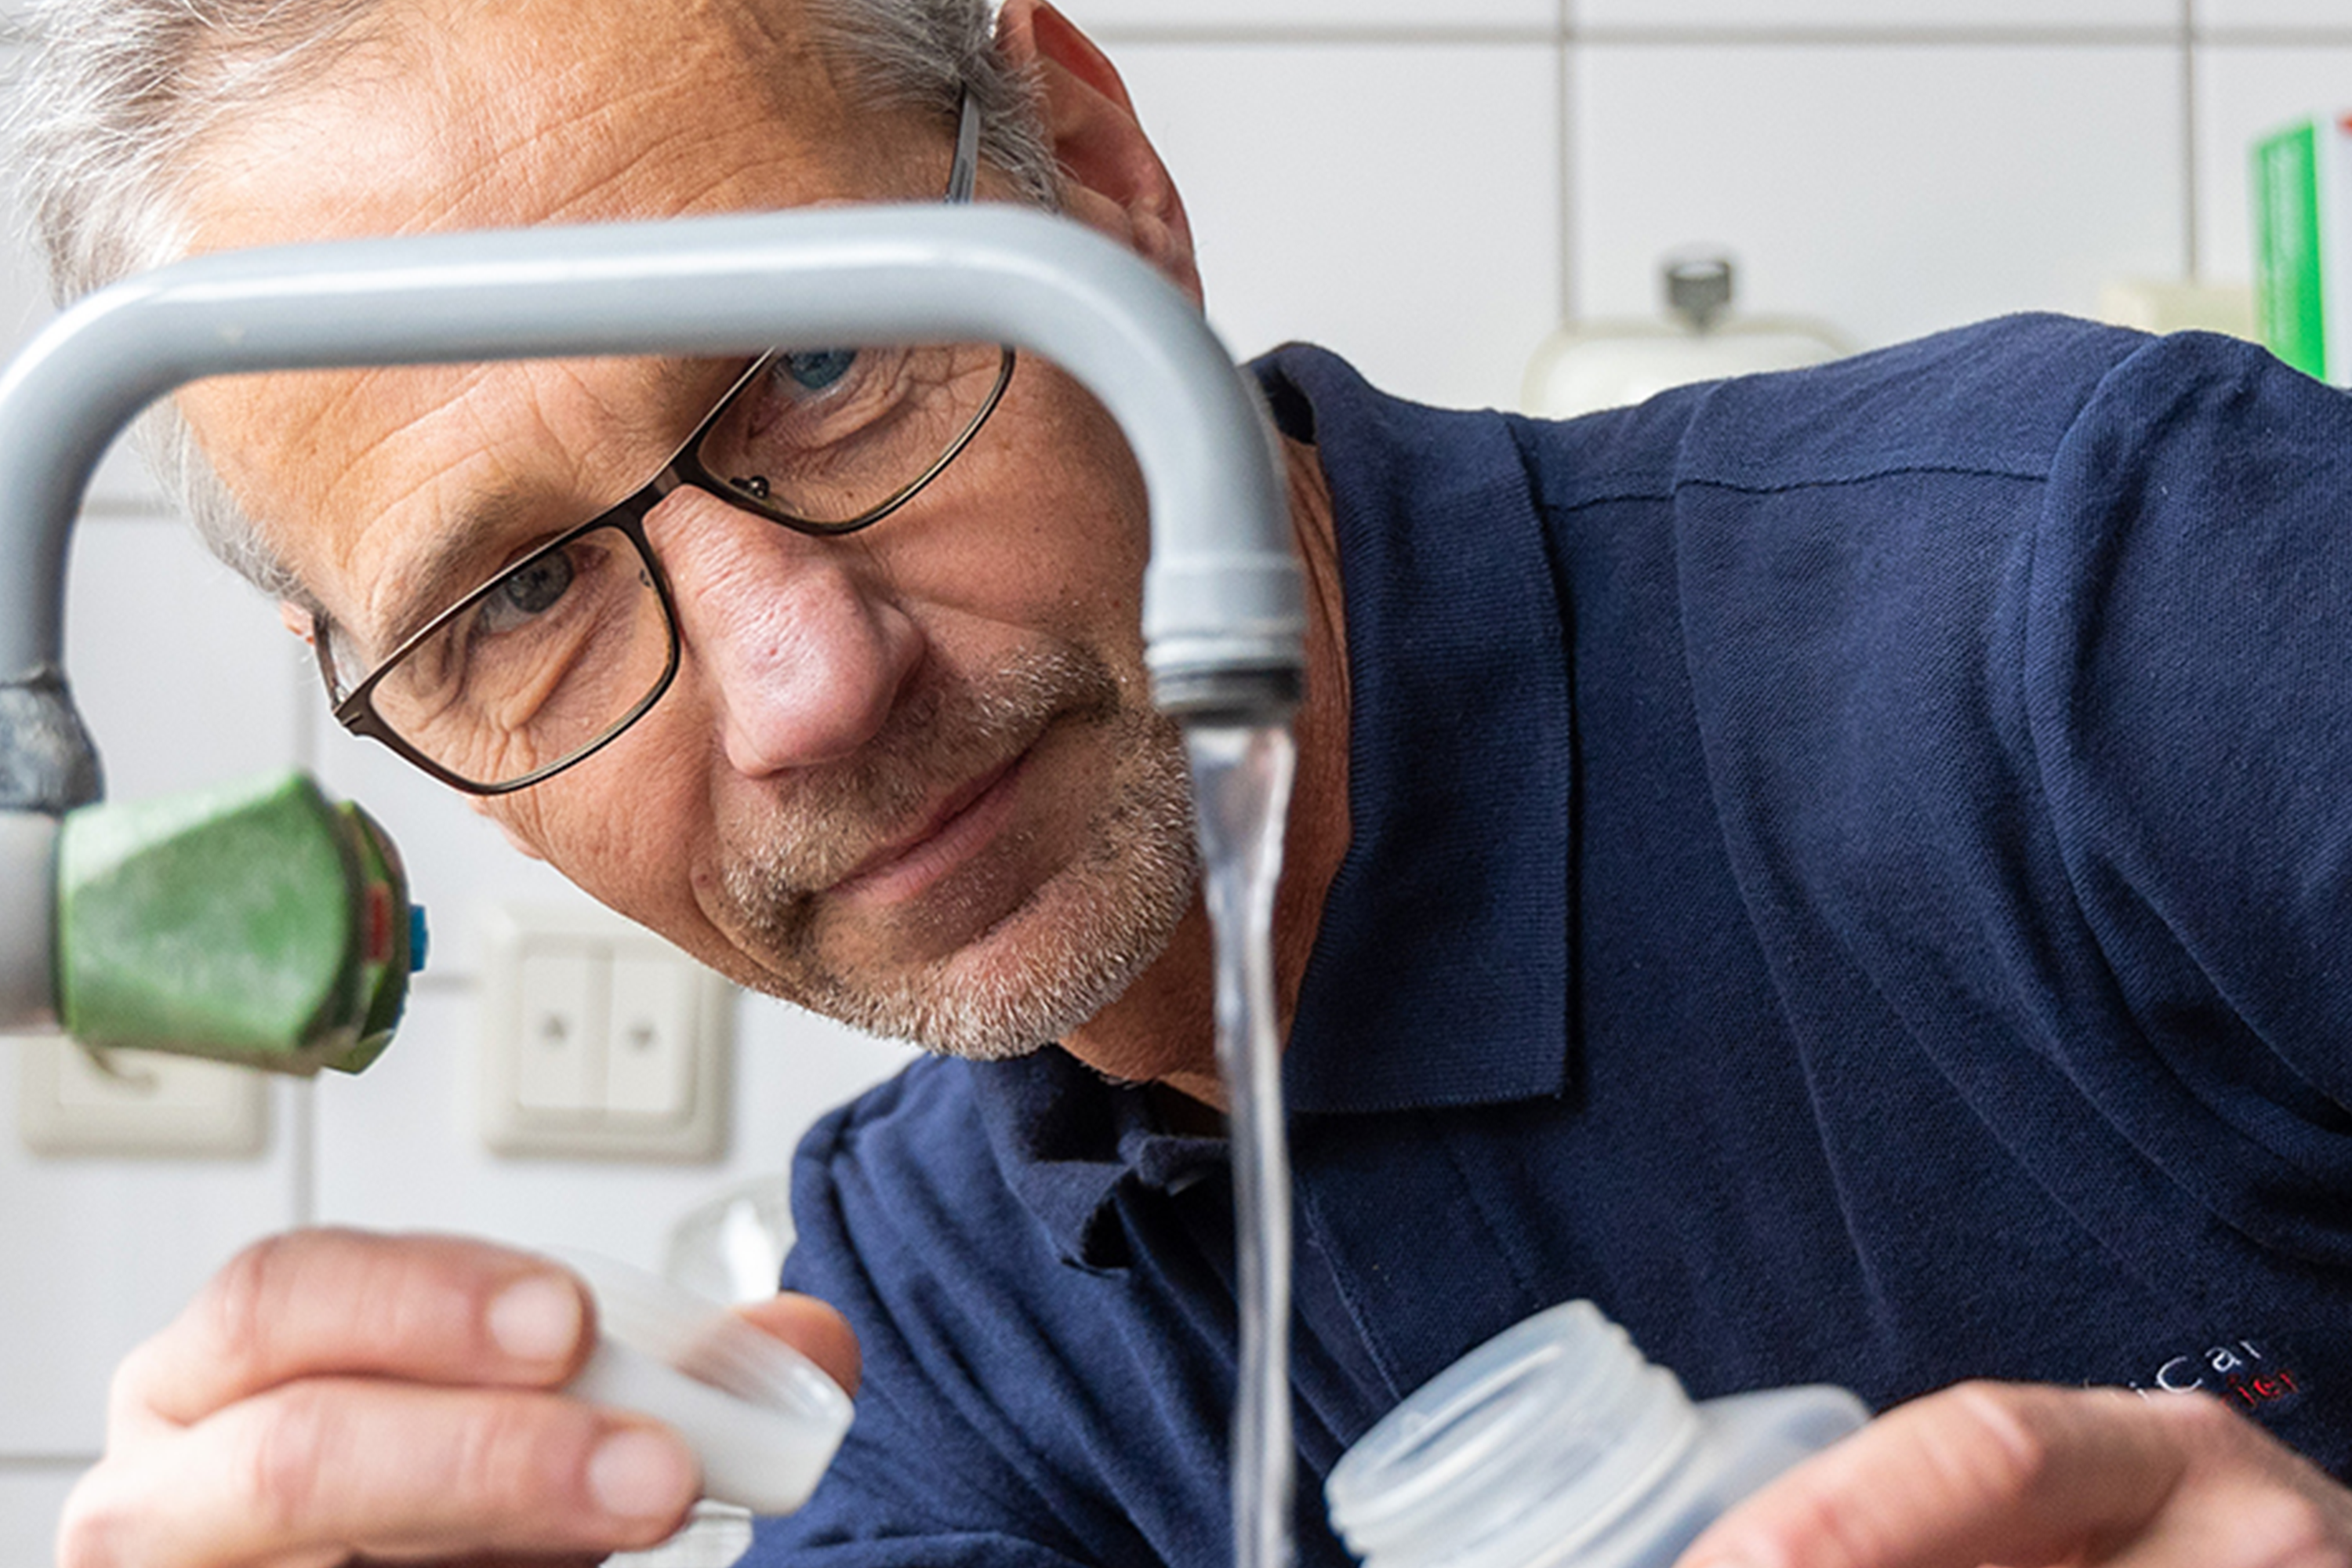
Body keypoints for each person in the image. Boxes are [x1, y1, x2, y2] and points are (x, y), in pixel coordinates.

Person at [25, 0, 2352, 1564]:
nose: (803, 685)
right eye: (522, 592)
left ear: (1096, 170)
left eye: (822, 361)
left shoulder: (2116, 607)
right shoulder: (931, 1324)